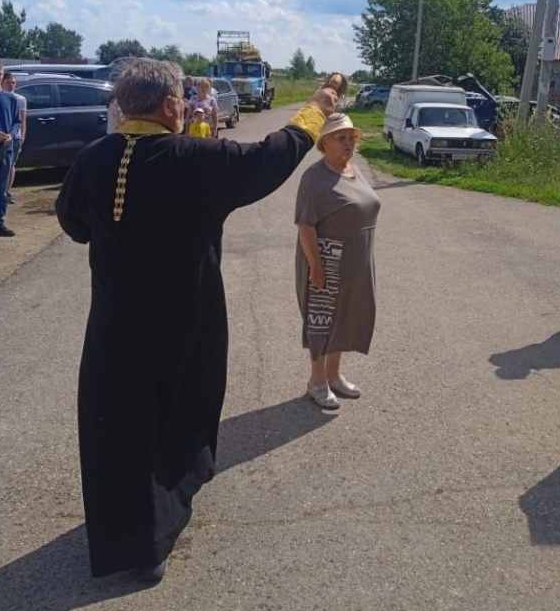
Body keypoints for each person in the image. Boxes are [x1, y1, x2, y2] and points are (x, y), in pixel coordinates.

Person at [54, 58, 337, 584]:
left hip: (114, 321)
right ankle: (151, 539)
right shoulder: (199, 159)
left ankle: (119, 533)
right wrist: (318, 106)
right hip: (186, 318)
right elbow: (274, 154)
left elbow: (74, 224)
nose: (185, 108)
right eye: (182, 102)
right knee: (174, 415)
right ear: (169, 106)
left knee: (117, 423)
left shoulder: (93, 157)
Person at [294, 113, 381, 409]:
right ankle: (317, 381)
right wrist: (316, 268)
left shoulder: (353, 169)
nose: (348, 143)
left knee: (345, 316)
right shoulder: (315, 177)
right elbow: (305, 225)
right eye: (341, 138)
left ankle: (333, 375)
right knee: (322, 322)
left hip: (356, 260)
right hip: (327, 260)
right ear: (325, 143)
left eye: (351, 137)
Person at [0, 61, 21, 237]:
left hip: (5, 149)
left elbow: (17, 122)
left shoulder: (10, 98)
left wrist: (11, 134)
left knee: (0, 188)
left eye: (0, 74)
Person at [1, 72, 26, 204]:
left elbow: (22, 120)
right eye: (8, 82)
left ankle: (6, 193)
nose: (11, 85)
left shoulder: (19, 99)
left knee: (10, 164)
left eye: (13, 83)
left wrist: (22, 137)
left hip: (14, 137)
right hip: (0, 136)